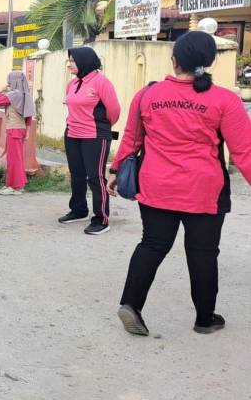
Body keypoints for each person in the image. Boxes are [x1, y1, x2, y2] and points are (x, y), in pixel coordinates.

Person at [106, 31, 251, 337]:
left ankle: (131, 304)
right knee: (203, 252)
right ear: (210, 61)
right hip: (204, 190)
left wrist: (115, 171)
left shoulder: (148, 95)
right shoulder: (225, 100)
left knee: (152, 244)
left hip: (156, 187)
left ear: (174, 61)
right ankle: (204, 319)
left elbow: (131, 140)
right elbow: (244, 152)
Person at [58, 47, 120, 235]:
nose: (69, 64)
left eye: (72, 61)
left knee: (95, 177)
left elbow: (114, 111)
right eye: (68, 61)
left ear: (84, 61)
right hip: (72, 133)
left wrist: (101, 127)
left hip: (95, 135)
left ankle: (101, 218)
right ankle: (78, 209)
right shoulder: (73, 83)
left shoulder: (101, 82)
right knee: (76, 174)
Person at [0, 70, 36, 195]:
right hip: (20, 129)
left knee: (13, 159)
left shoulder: (14, 94)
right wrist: (27, 130)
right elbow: (28, 116)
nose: (8, 83)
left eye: (9, 80)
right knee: (17, 158)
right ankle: (18, 185)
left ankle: (14, 186)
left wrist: (0, 89)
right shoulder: (24, 94)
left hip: (14, 129)